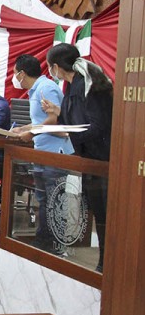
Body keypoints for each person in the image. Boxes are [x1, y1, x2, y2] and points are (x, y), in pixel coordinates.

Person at [42, 43, 113, 272]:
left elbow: (98, 126)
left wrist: (70, 130)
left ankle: (107, 263)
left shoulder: (90, 86)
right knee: (98, 212)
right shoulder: (71, 87)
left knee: (105, 214)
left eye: (50, 68)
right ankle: (104, 262)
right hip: (87, 159)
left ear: (55, 66)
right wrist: (57, 114)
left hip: (103, 159)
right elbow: (73, 123)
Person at [10, 54, 74, 255]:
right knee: (44, 198)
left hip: (56, 152)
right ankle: (43, 241)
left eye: (15, 73)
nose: (15, 77)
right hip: (42, 152)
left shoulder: (46, 88)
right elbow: (41, 120)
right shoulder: (35, 90)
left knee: (54, 200)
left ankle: (55, 246)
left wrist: (31, 132)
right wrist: (23, 128)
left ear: (22, 73)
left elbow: (54, 119)